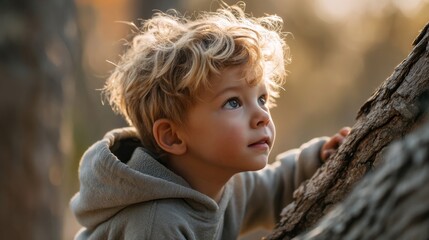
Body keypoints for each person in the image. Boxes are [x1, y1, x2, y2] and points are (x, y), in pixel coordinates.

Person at [70, 2, 350, 239]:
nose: (262, 116)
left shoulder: (226, 184)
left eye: (262, 99)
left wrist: (320, 158)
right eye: (233, 102)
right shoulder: (156, 223)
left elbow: (273, 189)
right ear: (173, 137)